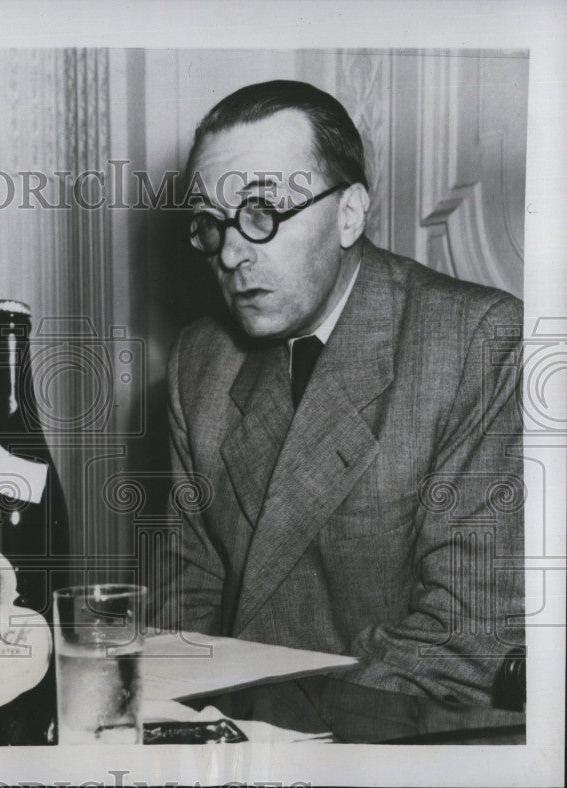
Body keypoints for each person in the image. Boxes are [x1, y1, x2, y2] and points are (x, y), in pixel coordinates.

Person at [162, 81, 523, 733]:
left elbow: (465, 635)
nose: (232, 253)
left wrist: (264, 732)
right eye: (210, 225)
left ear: (350, 213)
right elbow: (183, 602)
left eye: (263, 211)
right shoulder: (200, 360)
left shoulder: (479, 341)